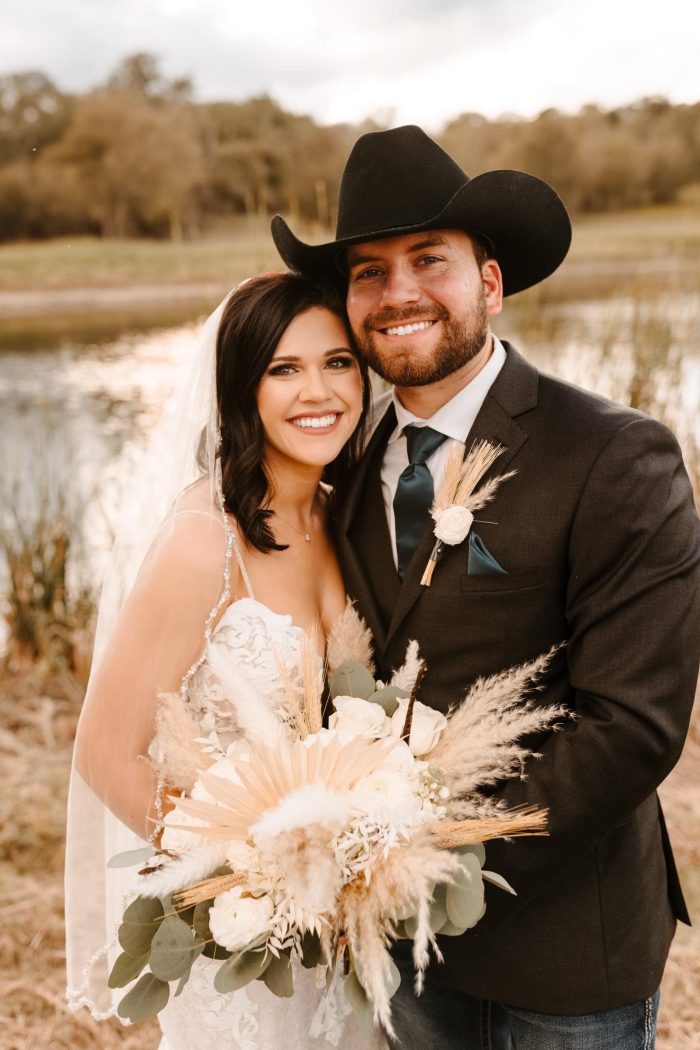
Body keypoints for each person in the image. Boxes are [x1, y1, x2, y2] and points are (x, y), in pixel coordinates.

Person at [270, 125, 700, 1049]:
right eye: (369, 272)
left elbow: (634, 726)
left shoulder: (614, 456)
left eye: (430, 260)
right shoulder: (336, 462)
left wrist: (425, 859)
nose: (400, 294)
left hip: (568, 953)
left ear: (491, 284)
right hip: (396, 950)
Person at [65, 272, 388, 1049]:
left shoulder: (340, 515)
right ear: (243, 389)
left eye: (338, 362)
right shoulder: (204, 541)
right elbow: (106, 753)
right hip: (250, 934)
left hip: (347, 929)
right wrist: (250, 877)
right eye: (285, 369)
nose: (320, 391)